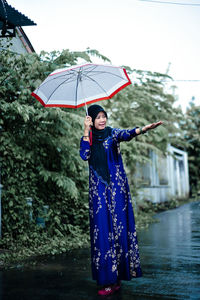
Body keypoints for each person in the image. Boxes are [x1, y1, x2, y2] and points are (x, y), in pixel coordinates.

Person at [79, 104, 163, 296]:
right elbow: (84, 155)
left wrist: (144, 129)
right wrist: (85, 131)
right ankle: (105, 281)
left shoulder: (112, 133)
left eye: (104, 116)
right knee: (102, 232)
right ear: (91, 119)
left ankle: (117, 279)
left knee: (118, 230)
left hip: (117, 191)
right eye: (98, 117)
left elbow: (127, 134)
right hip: (99, 193)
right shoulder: (88, 138)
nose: (102, 120)